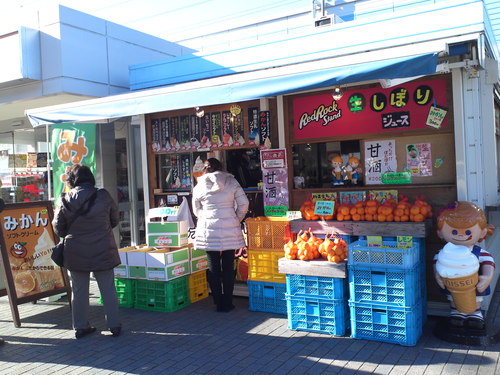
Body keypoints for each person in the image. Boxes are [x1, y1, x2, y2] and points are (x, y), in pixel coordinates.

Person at [52, 164, 122, 338]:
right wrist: (101, 230)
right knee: (108, 289)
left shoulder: (65, 198)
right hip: (103, 249)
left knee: (79, 291)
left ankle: (80, 327)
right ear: (90, 177)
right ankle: (114, 325)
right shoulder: (103, 195)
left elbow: (58, 228)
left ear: (72, 180)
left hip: (75, 251)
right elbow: (115, 219)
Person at [192, 158, 249, 312]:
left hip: (208, 229)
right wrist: (236, 218)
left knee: (213, 267)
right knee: (229, 267)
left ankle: (218, 302)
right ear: (221, 167)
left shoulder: (200, 185)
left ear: (205, 169)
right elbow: (244, 204)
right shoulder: (231, 181)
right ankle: (228, 302)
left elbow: (196, 208)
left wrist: (203, 218)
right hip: (229, 227)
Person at [434, 201, 496, 329]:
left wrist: (487, 277)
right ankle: (456, 312)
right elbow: (436, 264)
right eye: (454, 232)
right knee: (452, 295)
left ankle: (476, 313)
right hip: (450, 281)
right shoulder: (444, 254)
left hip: (475, 283)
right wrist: (437, 275)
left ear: (483, 233)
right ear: (440, 233)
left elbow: (489, 263)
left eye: (468, 232)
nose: (461, 235)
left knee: (476, 298)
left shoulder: (479, 253)